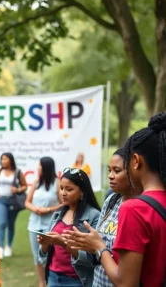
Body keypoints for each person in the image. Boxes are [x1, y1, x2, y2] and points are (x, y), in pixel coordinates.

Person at [65, 112, 166, 287]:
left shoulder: (135, 208)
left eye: (119, 169)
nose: (112, 175)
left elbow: (126, 283)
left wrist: (99, 247)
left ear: (135, 161)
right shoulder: (115, 201)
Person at [64, 148, 141, 286]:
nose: (110, 176)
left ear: (133, 171)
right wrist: (79, 245)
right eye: (109, 170)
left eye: (117, 171)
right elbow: (96, 252)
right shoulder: (111, 200)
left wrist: (99, 247)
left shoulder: (142, 208)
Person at [38, 168, 101, 287]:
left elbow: (93, 258)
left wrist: (64, 243)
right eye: (61, 188)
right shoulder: (57, 214)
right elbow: (42, 258)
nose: (63, 193)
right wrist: (45, 246)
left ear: (82, 191)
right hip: (53, 277)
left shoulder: (94, 216)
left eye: (69, 189)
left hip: (77, 281)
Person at [25, 157, 63, 287]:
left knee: (49, 254)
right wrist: (35, 209)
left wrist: (48, 209)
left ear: (46, 167)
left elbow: (64, 204)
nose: (37, 168)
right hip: (34, 224)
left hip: (50, 225)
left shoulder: (58, 183)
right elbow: (27, 202)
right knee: (37, 256)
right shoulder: (36, 182)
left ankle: (50, 280)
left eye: (39, 165)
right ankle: (42, 283)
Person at [0, 152, 27, 259]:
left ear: (10, 160)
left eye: (5, 159)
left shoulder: (18, 172)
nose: (3, 161)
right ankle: (0, 248)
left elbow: (25, 185)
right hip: (1, 200)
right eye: (2, 159)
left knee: (11, 224)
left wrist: (18, 189)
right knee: (2, 223)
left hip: (13, 201)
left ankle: (8, 246)